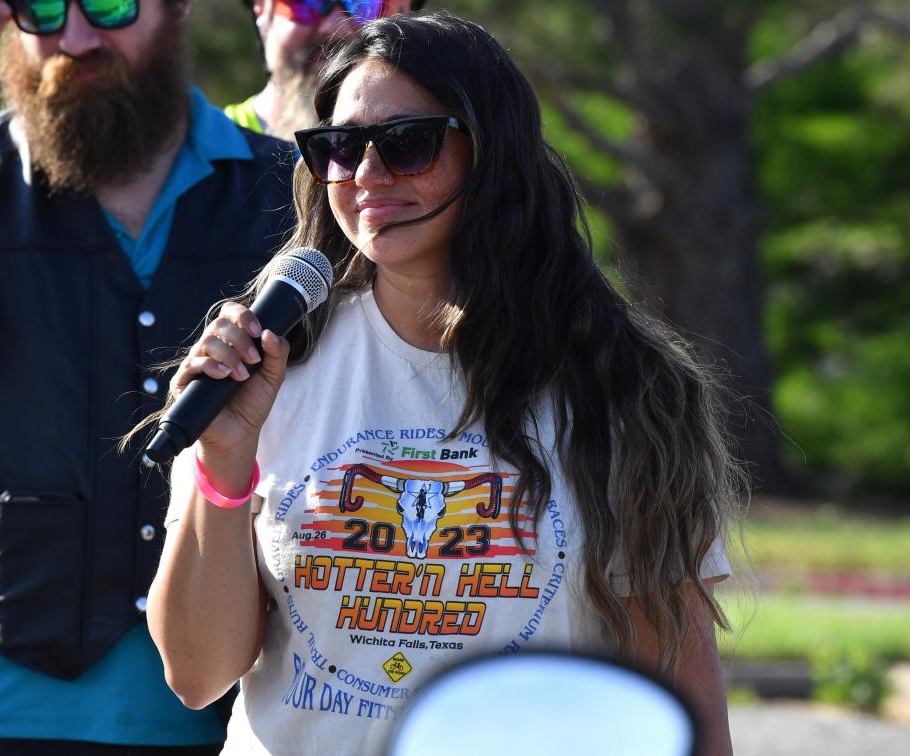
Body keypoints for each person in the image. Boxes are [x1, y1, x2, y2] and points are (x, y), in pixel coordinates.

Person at [148, 13, 742, 755]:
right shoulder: (268, 370)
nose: (365, 176)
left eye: (407, 144)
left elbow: (682, 696)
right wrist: (224, 463)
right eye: (339, 147)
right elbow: (197, 675)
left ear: (491, 154)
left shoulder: (619, 385)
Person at [0, 0, 294, 752]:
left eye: (108, 4)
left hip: (230, 719)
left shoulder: (289, 193)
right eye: (41, 10)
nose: (74, 38)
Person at [225, 0, 423, 139]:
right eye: (306, 2)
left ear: (406, 10)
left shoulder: (444, 143)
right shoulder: (206, 147)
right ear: (260, 9)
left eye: (364, 3)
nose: (335, 26)